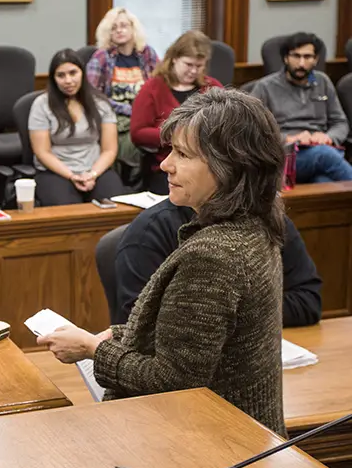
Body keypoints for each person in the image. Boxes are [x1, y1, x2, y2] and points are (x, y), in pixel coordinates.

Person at [38, 88, 288, 437]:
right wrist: (121, 334)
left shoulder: (214, 255)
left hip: (215, 446)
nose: (165, 164)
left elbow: (171, 381)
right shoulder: (256, 224)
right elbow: (198, 341)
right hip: (244, 433)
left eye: (182, 154)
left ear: (230, 167)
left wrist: (93, 348)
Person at [114, 199, 322, 327]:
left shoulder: (269, 220)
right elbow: (142, 324)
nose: (165, 165)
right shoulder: (147, 234)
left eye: (184, 154)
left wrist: (229, 316)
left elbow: (308, 302)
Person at [250, 32, 352, 183]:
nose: (302, 63)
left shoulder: (322, 82)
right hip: (284, 156)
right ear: (286, 58)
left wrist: (328, 137)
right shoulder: (265, 87)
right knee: (324, 155)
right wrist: (290, 138)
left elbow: (340, 122)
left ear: (316, 59)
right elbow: (252, 130)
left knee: (324, 183)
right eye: (296, 56)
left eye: (307, 57)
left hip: (320, 152)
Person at [131, 30, 223, 194]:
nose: (194, 71)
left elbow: (228, 122)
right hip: (167, 167)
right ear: (174, 59)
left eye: (199, 66)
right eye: (188, 65)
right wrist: (178, 134)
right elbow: (138, 133)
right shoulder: (153, 88)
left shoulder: (212, 87)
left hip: (209, 165)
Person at [29, 48, 124, 206]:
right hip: (56, 172)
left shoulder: (100, 103)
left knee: (113, 209)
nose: (68, 80)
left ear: (82, 73)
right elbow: (42, 152)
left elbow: (109, 149)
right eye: (61, 75)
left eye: (73, 73)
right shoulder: (41, 105)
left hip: (96, 169)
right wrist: (72, 175)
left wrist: (92, 174)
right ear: (53, 79)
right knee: (68, 213)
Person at [86, 8, 160, 184]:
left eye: (124, 26)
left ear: (134, 29)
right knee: (133, 143)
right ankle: (134, 183)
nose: (119, 30)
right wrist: (128, 109)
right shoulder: (101, 57)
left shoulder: (147, 54)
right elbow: (93, 94)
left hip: (146, 114)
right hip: (114, 117)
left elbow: (160, 86)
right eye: (113, 27)